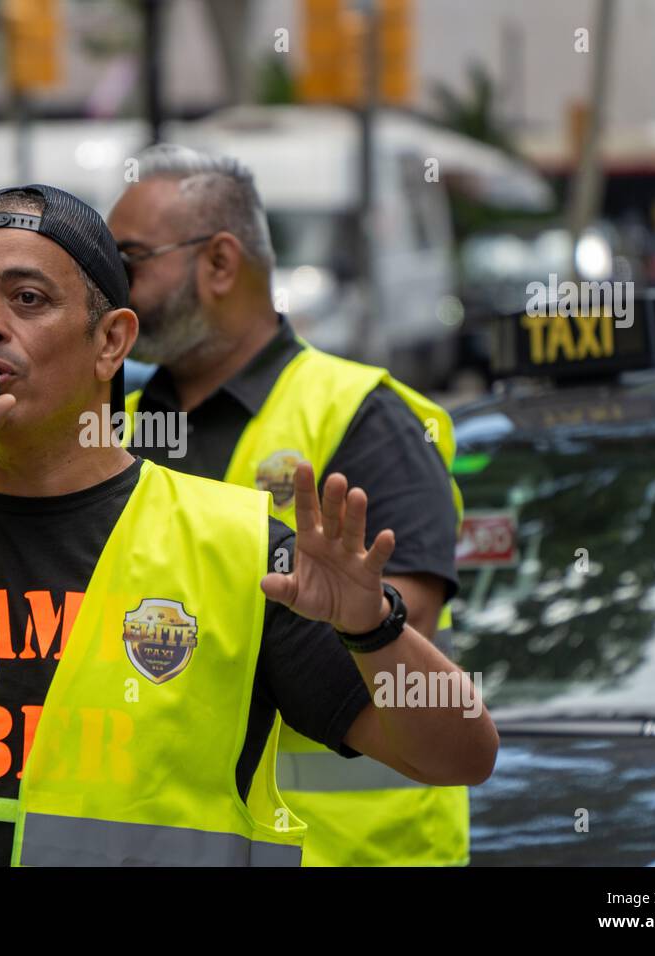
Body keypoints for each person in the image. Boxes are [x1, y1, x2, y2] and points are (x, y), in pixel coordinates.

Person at [0, 183, 496, 867]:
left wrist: (372, 627)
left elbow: (460, 755)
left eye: (27, 299)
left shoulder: (234, 543)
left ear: (112, 341)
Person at [106, 145, 468, 867]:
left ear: (219, 262)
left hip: (353, 855)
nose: (112, 287)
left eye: (131, 260)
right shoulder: (117, 430)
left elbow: (400, 633)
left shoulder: (361, 413)